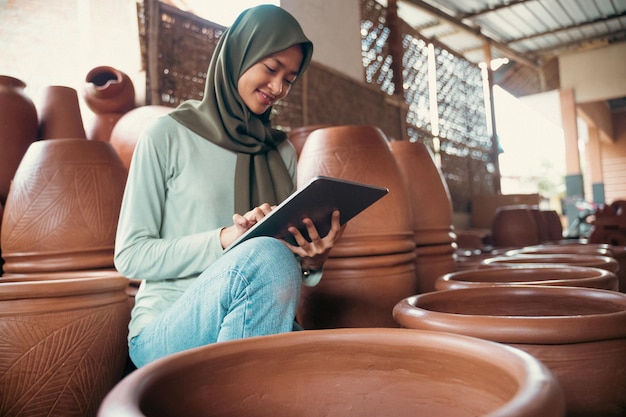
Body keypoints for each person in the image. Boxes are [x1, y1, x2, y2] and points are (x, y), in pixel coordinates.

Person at [114, 4, 343, 368]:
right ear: (239, 54)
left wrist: (312, 259)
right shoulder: (168, 135)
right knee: (264, 254)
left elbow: (281, 271)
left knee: (349, 363)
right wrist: (224, 240)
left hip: (254, 323)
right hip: (168, 328)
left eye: (289, 78)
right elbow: (131, 256)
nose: (278, 87)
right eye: (271, 69)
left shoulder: (281, 152)